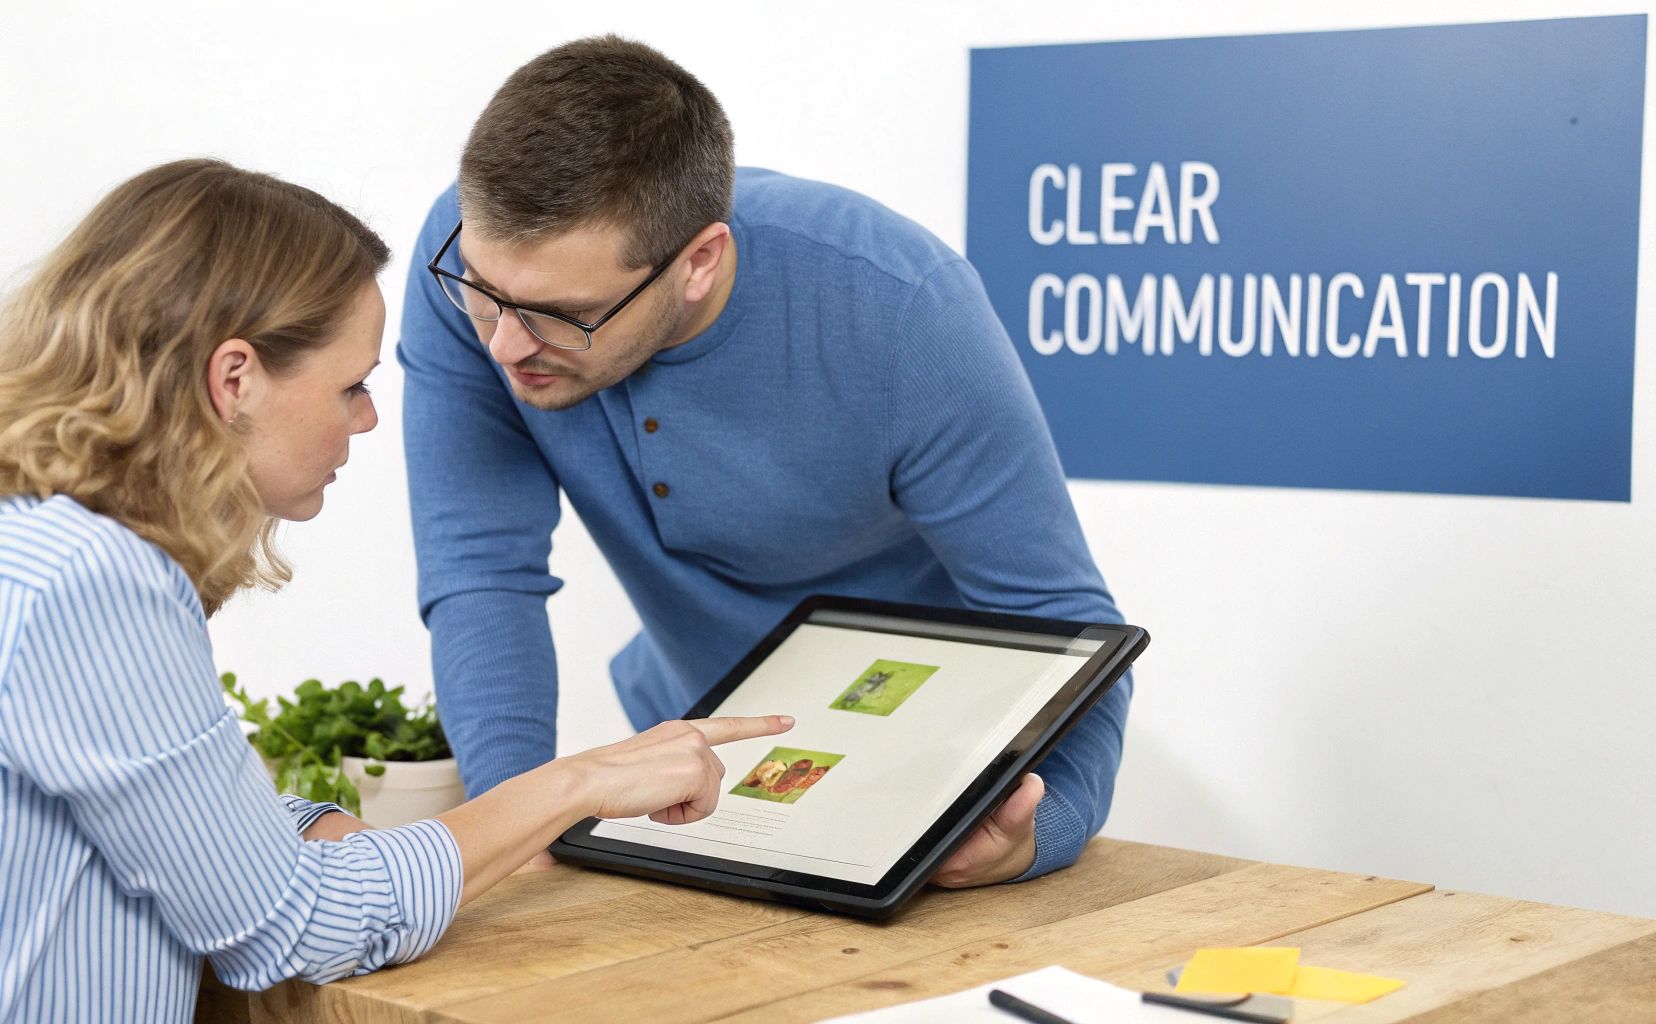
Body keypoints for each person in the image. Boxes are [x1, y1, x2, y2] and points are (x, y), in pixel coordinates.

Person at [0, 159, 790, 1022]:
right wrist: (575, 785)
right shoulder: (95, 582)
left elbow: (167, 824)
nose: (369, 418)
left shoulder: (38, 544)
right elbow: (285, 925)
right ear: (234, 381)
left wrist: (309, 832)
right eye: (352, 386)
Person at [400, 35, 1133, 887]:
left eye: (567, 315)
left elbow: (1063, 620)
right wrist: (511, 828)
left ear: (699, 262)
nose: (502, 342)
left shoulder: (902, 312)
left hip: (921, 786)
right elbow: (481, 570)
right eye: (485, 294)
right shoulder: (473, 264)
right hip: (692, 757)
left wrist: (1046, 827)